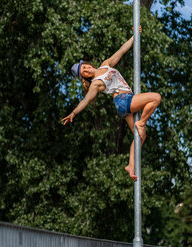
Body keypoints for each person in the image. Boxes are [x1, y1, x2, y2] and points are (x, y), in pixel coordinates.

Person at [61, 26, 161, 181]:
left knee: (140, 137)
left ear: (88, 64)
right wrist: (74, 113)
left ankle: (130, 166)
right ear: (84, 78)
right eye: (84, 73)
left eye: (85, 67)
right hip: (123, 101)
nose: (87, 70)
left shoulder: (106, 64)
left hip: (125, 104)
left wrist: (135, 36)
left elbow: (121, 50)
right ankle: (141, 122)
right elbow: (86, 100)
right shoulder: (95, 84)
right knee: (155, 98)